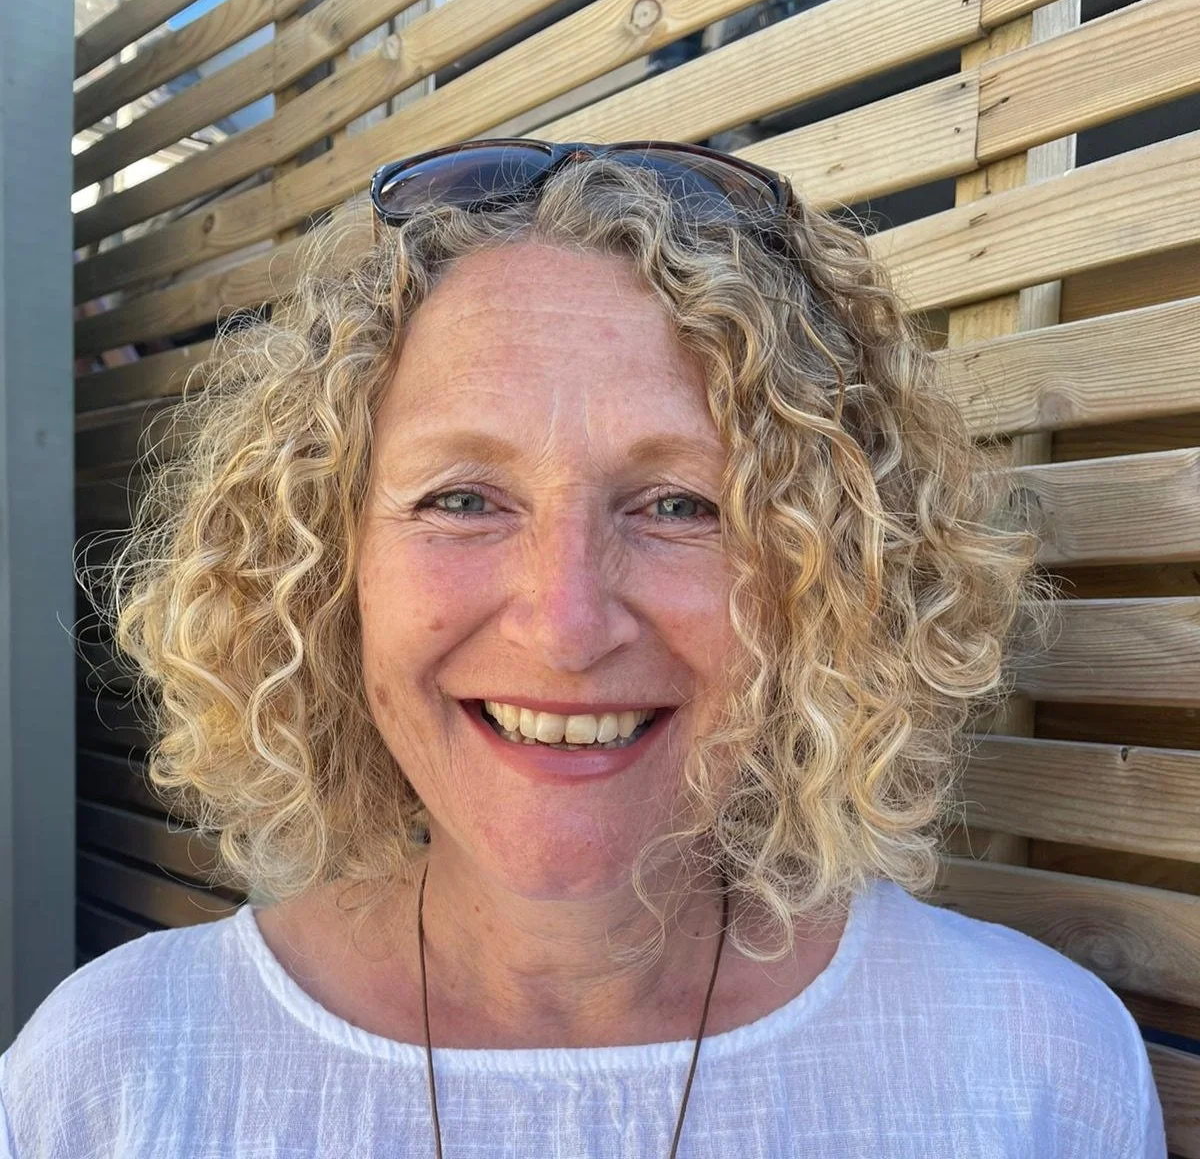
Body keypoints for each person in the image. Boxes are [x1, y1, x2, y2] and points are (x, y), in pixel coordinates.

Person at [0, 140, 1165, 1157]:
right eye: (463, 499)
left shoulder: (1035, 1070)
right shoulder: (112, 1077)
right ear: (323, 569)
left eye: (683, 505)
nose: (565, 628)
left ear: (836, 579)